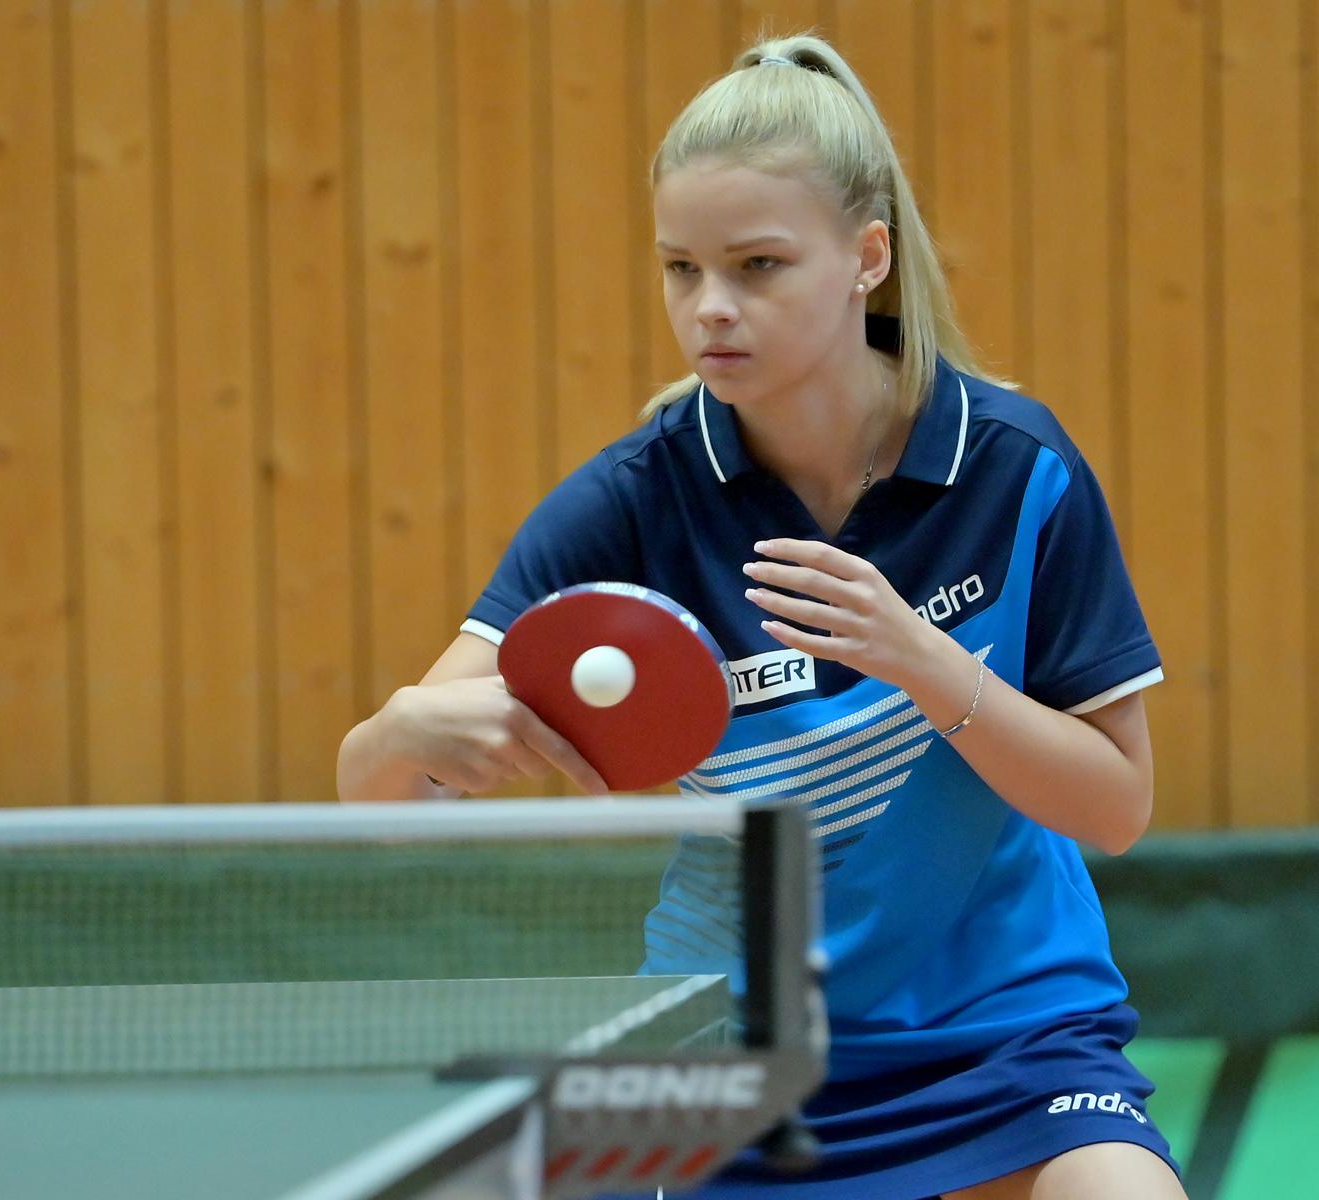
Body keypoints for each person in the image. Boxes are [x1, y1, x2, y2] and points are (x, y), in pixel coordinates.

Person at [337, 31, 1186, 1200]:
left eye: (757, 266)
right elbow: (387, 804)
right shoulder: (635, 502)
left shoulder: (1011, 468)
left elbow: (1118, 807)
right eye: (680, 269)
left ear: (866, 257)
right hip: (736, 1051)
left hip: (1003, 1034)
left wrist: (925, 662)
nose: (710, 310)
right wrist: (396, 734)